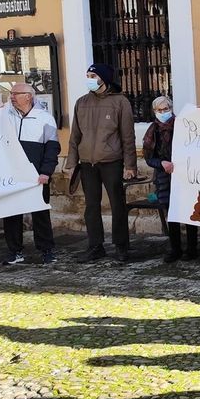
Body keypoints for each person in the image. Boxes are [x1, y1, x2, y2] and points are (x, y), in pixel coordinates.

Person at [66, 63, 137, 263]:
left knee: (117, 205)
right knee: (91, 206)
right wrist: (72, 162)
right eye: (87, 74)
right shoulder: (81, 102)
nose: (88, 78)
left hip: (112, 162)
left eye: (92, 75)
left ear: (103, 79)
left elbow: (128, 137)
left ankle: (121, 246)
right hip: (87, 163)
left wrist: (130, 166)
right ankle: (95, 246)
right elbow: (75, 136)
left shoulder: (120, 102)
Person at [1, 82, 59, 266]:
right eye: (11, 93)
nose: (12, 96)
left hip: (37, 175)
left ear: (28, 96)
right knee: (11, 214)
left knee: (40, 214)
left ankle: (46, 250)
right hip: (12, 174)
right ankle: (14, 251)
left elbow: (52, 148)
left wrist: (46, 172)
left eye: (16, 93)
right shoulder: (5, 116)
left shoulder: (45, 118)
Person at [144, 95, 199, 263]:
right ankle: (175, 248)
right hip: (164, 177)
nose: (163, 112)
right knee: (172, 214)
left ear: (171, 109)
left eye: (166, 109)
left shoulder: (182, 125)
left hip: (185, 175)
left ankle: (192, 248)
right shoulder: (152, 131)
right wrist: (162, 163)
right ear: (154, 112)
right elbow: (148, 157)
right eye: (159, 110)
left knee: (190, 212)